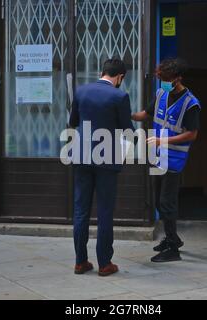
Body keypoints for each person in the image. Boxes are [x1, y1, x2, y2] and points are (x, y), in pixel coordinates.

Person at [69, 58, 134, 277]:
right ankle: (104, 264)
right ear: (120, 77)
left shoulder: (81, 91)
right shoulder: (120, 96)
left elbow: (73, 121)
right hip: (107, 158)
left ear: (102, 71)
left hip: (81, 157)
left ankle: (80, 262)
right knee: (105, 211)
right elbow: (128, 131)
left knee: (81, 211)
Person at [132, 58, 201, 263]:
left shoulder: (191, 103)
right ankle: (173, 238)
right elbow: (145, 114)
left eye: (166, 79)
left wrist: (164, 140)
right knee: (157, 203)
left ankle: (172, 249)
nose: (162, 82)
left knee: (167, 202)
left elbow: (192, 134)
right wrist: (124, 113)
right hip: (158, 157)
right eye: (160, 78)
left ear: (177, 78)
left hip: (174, 159)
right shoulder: (161, 93)